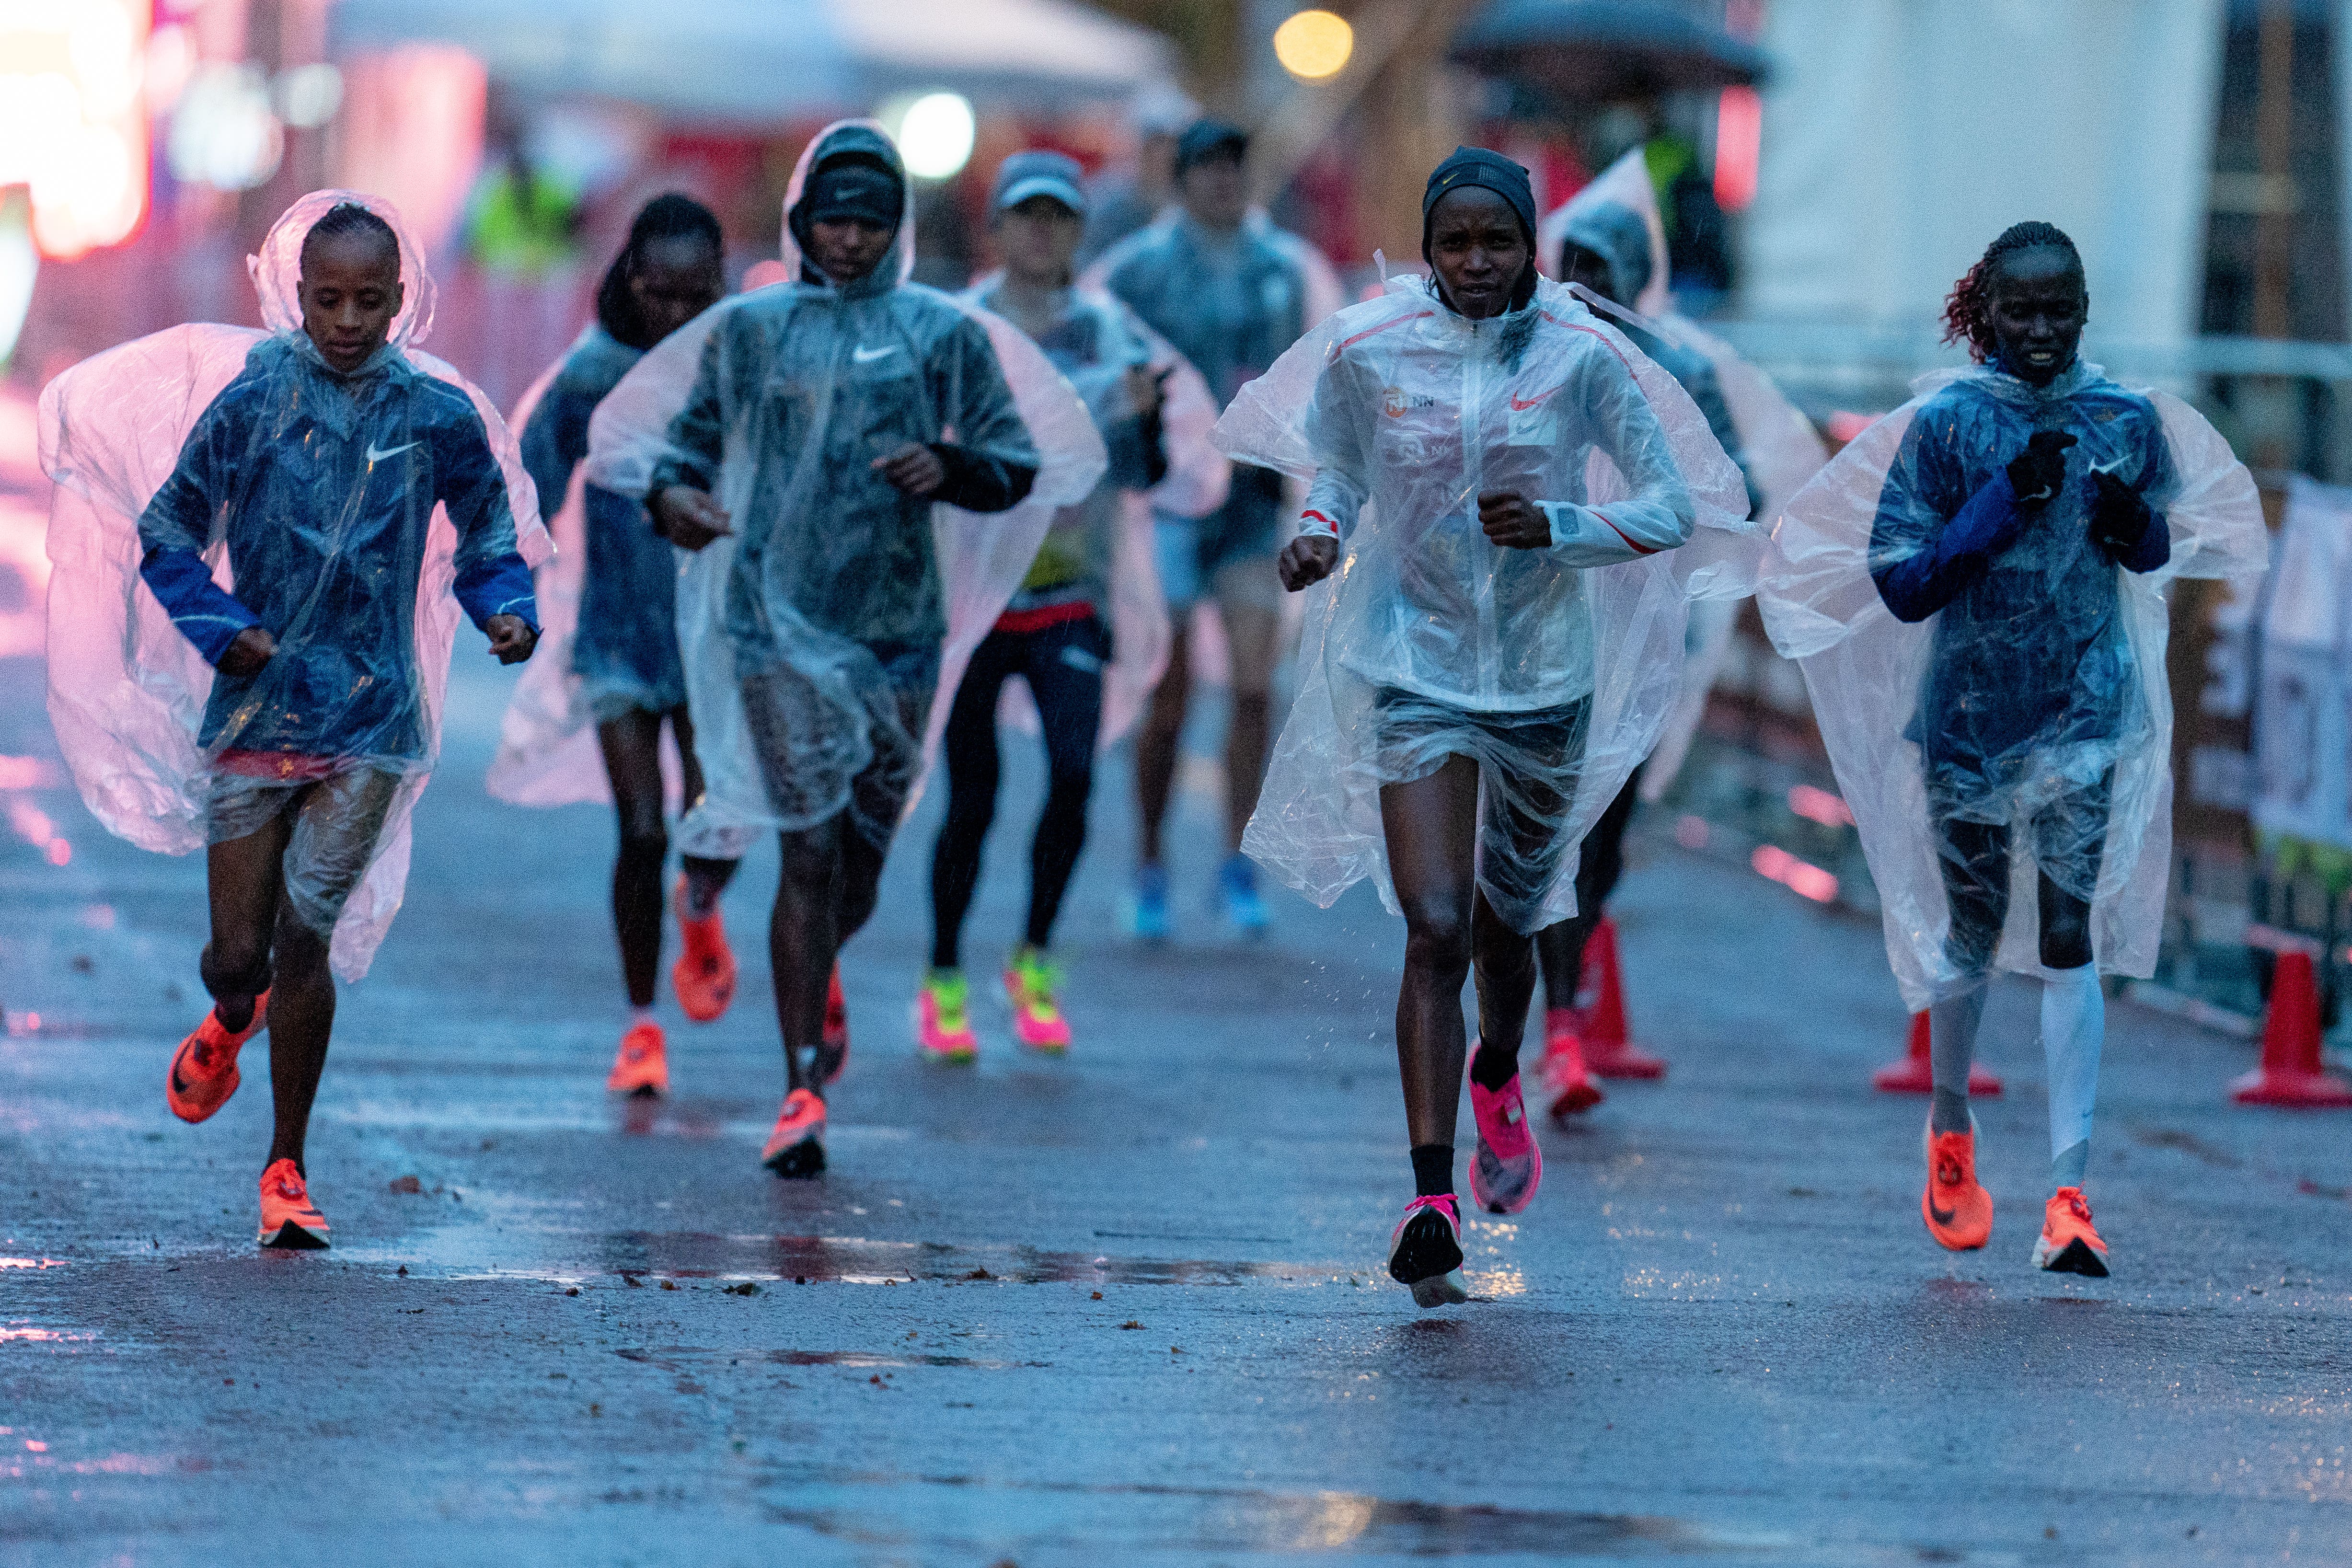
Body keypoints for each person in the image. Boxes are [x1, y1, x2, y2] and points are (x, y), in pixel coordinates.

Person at [1218, 149, 1747, 1307]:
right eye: (1453, 243)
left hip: (1547, 679)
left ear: (1529, 248)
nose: (1473, 263)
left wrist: (1560, 523)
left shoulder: (1581, 358)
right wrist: (1314, 533)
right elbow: (1336, 469)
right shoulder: (1369, 350)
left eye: (1494, 243)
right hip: (1412, 664)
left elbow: (1675, 506)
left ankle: (1501, 1065)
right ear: (1427, 246)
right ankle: (1429, 1195)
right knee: (1437, 923)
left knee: (1511, 925)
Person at [586, 121, 1103, 1176]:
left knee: (862, 857)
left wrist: (950, 467)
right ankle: (799, 1094)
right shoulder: (748, 331)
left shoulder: (942, 334)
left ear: (899, 228)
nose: (853, 239)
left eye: (872, 222)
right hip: (772, 623)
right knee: (809, 847)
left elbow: (1016, 466)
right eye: (836, 219)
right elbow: (681, 449)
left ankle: (817, 970)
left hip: (901, 631)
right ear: (804, 222)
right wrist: (676, 498)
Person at [39, 191, 545, 1249]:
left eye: (371, 300)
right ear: (295, 298)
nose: (351, 320)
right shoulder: (254, 398)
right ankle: (231, 1016)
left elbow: (489, 533)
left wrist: (506, 610)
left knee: (304, 936)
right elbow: (168, 534)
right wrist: (221, 626)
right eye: (330, 299)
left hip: (373, 720)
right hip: (257, 713)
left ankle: (287, 1167)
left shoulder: (435, 414)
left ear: (402, 300)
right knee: (240, 952)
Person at [1759, 221, 2265, 1275]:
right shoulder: (1947, 429)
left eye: (2061, 310)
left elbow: (2164, 549)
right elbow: (1902, 583)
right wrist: (2002, 503)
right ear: (1982, 314)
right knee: (1977, 924)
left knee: (2073, 930)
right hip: (1973, 717)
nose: (2042, 331)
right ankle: (1952, 1134)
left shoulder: (2127, 421)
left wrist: (2134, 524)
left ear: (2087, 311)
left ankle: (2071, 1194)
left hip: (2089, 712)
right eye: (2021, 311)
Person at [1528, 150, 1825, 1118]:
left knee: (1605, 831)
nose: (1585, 286)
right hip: (1534, 625)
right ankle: (1553, 1027)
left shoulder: (1681, 362)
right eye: (1571, 264)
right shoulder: (1523, 348)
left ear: (1635, 274)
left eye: (1603, 269)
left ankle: (1561, 1011)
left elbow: (1730, 482)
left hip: (1642, 628)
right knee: (1544, 828)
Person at [920, 152, 1220, 1059]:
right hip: (978, 603)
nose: (1042, 232)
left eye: (1059, 217)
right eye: (1027, 215)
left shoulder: (1108, 333)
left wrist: (1138, 423)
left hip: (1070, 594)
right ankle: (943, 977)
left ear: (1078, 233)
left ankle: (1037, 958)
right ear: (999, 229)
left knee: (1077, 779)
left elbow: (1149, 475)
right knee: (972, 799)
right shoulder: (961, 326)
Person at [492, 194, 752, 1099]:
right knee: (641, 830)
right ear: (629, 281)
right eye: (660, 294)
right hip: (619, 639)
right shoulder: (591, 376)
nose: (677, 314)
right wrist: (510, 597)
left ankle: (705, 904)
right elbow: (524, 490)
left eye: (698, 294)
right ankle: (642, 1027)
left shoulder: (746, 362)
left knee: (718, 827)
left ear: (723, 282)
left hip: (721, 636)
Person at [1092, 118, 1342, 939]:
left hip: (1250, 509)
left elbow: (1323, 379)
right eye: (1208, 168)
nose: (1223, 183)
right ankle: (1152, 859)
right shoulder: (1138, 271)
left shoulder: (1285, 270)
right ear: (1183, 178)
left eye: (1235, 166)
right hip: (1166, 505)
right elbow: (1098, 373)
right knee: (1165, 703)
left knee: (1250, 687)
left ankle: (1238, 864)